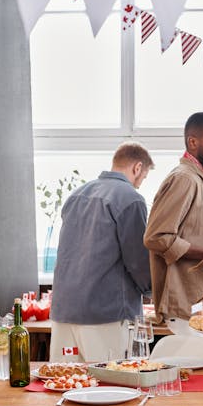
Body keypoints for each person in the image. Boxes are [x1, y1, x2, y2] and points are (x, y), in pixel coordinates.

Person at [50, 142, 154, 362]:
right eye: (143, 178)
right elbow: (137, 260)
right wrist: (153, 290)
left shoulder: (76, 195)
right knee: (112, 385)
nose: (139, 184)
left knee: (66, 384)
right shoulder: (130, 198)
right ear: (137, 168)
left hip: (64, 310)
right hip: (106, 314)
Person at [144, 112, 203, 322]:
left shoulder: (200, 180)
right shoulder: (185, 179)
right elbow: (156, 237)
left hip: (199, 305)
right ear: (192, 142)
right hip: (183, 309)